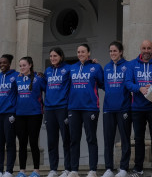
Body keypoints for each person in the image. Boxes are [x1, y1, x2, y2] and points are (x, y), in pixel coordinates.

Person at [125, 40, 152, 177]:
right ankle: (138, 167)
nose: (146, 50)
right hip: (137, 108)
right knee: (138, 138)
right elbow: (128, 83)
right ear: (140, 49)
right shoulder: (132, 64)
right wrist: (139, 88)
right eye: (144, 48)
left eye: (149, 48)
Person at [68, 44, 105, 177]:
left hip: (90, 108)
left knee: (91, 138)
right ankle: (74, 170)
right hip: (73, 108)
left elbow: (104, 84)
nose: (80, 54)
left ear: (88, 53)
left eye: (83, 51)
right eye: (78, 52)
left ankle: (92, 170)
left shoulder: (96, 67)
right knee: (74, 140)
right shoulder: (72, 68)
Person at [102, 41, 131, 177]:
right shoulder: (106, 68)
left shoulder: (128, 66)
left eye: (115, 51)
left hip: (123, 108)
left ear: (121, 52)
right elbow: (101, 84)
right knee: (108, 139)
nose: (112, 53)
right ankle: (109, 168)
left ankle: (124, 168)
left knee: (125, 139)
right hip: (108, 108)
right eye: (110, 51)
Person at [15, 56, 46, 177]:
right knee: (22, 143)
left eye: (24, 65)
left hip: (35, 114)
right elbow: (13, 95)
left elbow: (47, 89)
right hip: (20, 115)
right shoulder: (17, 79)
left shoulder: (38, 78)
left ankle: (36, 170)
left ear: (30, 65)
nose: (22, 68)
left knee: (33, 142)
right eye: (20, 65)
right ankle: (22, 170)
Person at [44, 48, 72, 177]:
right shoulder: (48, 71)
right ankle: (53, 169)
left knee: (66, 139)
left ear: (61, 56)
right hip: (49, 109)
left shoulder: (68, 68)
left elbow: (80, 69)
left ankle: (67, 168)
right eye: (50, 56)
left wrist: (90, 62)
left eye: (55, 56)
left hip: (62, 108)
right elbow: (43, 85)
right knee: (52, 140)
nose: (52, 58)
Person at [0, 55, 18, 177]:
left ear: (9, 64)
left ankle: (9, 170)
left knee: (10, 143)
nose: (2, 64)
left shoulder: (16, 76)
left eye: (4, 63)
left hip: (9, 113)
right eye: (0, 62)